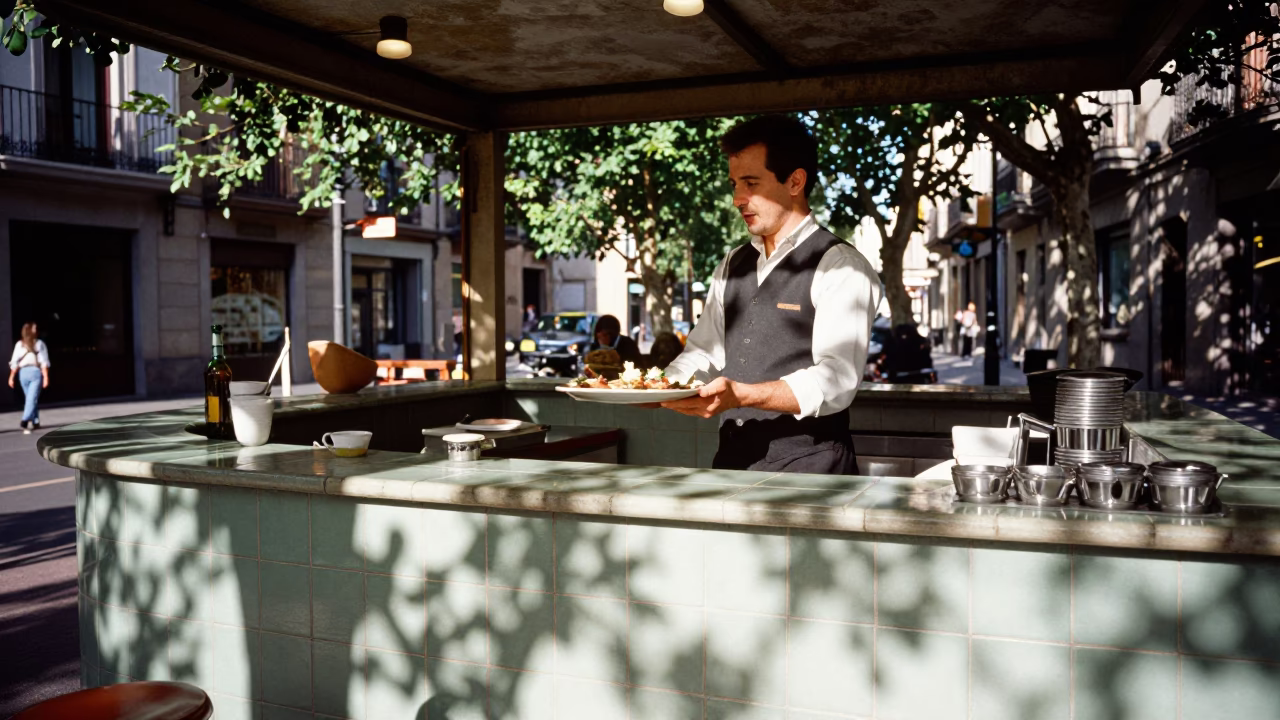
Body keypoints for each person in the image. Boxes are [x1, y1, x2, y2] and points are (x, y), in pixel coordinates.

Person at [661, 115, 883, 474]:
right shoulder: (733, 262)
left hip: (812, 467)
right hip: (734, 460)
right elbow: (704, 352)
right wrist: (658, 389)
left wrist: (744, 395)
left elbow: (838, 378)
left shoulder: (840, 265)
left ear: (795, 181)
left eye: (751, 183)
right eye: (734, 184)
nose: (737, 198)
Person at [8, 322, 50, 433]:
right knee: (31, 398)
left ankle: (25, 420)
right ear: (29, 330)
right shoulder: (20, 344)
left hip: (35, 372)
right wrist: (11, 377)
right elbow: (14, 362)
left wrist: (45, 377)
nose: (36, 330)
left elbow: (43, 362)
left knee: (31, 397)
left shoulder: (39, 344)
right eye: (34, 328)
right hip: (23, 373)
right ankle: (35, 421)